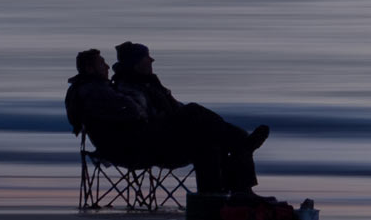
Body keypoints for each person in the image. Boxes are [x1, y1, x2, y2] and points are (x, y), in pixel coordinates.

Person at [109, 41, 269, 195]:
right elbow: (141, 117)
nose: (152, 60)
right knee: (195, 112)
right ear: (136, 63)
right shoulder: (128, 88)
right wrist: (172, 117)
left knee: (211, 141)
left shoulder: (150, 83)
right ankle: (241, 145)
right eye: (146, 57)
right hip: (157, 143)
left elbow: (176, 107)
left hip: (172, 135)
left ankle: (240, 191)